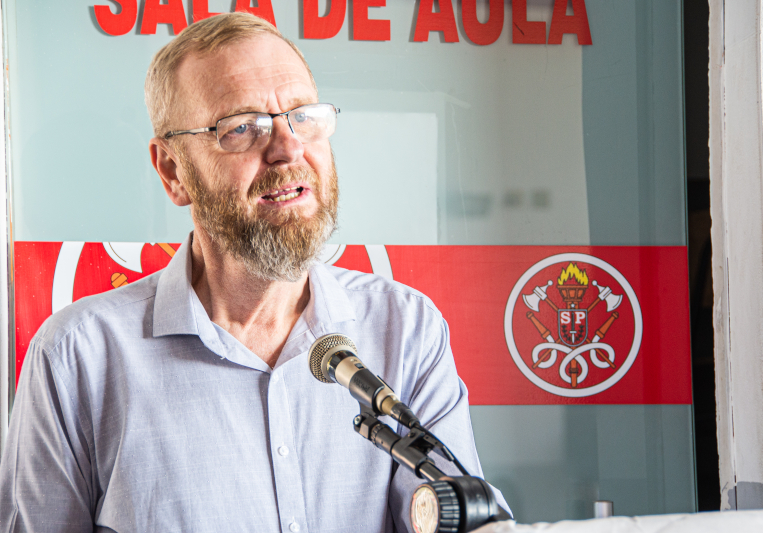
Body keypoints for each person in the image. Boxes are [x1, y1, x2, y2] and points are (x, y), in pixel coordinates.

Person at [0, 12, 506, 532]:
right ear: (173, 172)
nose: (288, 148)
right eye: (242, 128)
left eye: (303, 116)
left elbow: (463, 517)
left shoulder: (406, 330)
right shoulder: (77, 358)